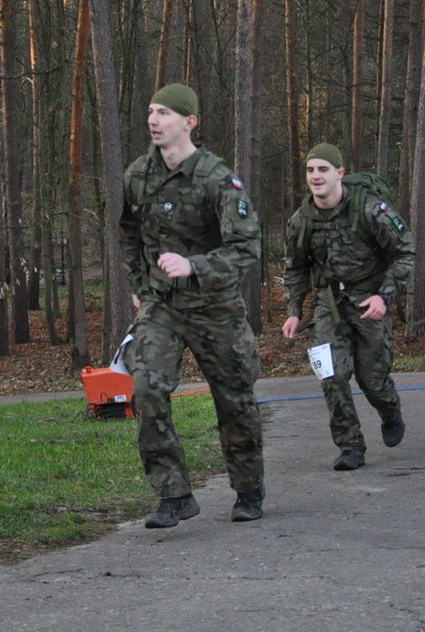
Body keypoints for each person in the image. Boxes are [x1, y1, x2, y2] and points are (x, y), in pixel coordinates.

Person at [119, 83, 265, 528]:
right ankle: (174, 494)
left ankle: (248, 490)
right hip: (163, 305)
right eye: (151, 111)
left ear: (190, 122)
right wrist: (140, 284)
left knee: (234, 399)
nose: (153, 120)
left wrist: (194, 265)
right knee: (146, 388)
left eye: (164, 112)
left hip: (216, 306)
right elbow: (128, 234)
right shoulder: (138, 175)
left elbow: (247, 247)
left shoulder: (217, 178)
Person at [281, 143, 414, 470]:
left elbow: (404, 253)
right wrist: (294, 310)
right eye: (310, 170)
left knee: (372, 380)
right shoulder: (301, 220)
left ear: (339, 172)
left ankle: (390, 411)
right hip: (328, 304)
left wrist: (384, 296)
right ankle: (350, 445)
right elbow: (296, 267)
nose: (316, 176)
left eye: (323, 169)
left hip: (369, 301)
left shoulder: (370, 210)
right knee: (331, 375)